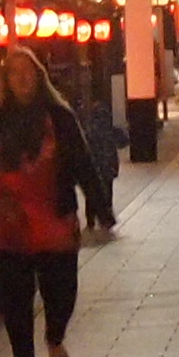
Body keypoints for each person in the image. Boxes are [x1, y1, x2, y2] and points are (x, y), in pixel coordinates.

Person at [0, 44, 92, 357]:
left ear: (39, 76)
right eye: (14, 73)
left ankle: (55, 336)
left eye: (28, 71)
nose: (22, 79)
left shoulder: (60, 117)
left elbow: (80, 160)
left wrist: (98, 201)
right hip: (9, 222)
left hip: (54, 217)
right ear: (6, 80)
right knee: (15, 297)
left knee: (62, 288)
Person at [76, 64, 125, 236]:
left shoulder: (83, 113)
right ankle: (105, 217)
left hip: (95, 155)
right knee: (104, 186)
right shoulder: (102, 111)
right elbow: (109, 132)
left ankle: (93, 220)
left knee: (94, 186)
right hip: (105, 155)